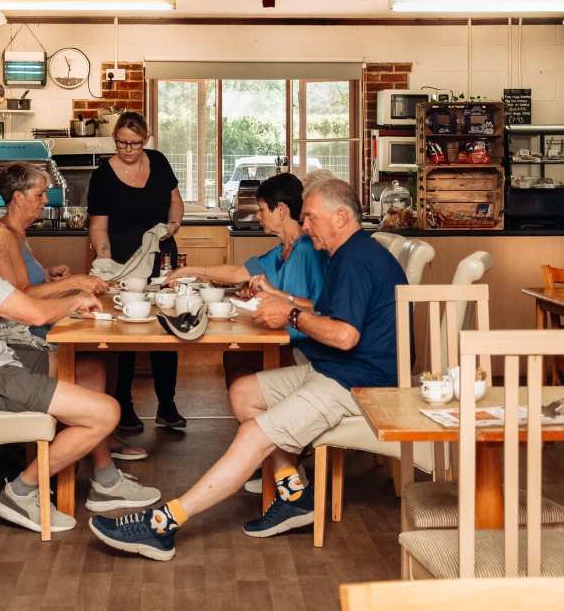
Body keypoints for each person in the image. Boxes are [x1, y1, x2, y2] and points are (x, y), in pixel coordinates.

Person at [89, 177, 408, 560]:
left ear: (340, 217)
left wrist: (289, 312)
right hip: (335, 370)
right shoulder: (349, 253)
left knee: (255, 434)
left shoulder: (355, 260)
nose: (304, 227)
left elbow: (344, 336)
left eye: (310, 218)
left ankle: (164, 524)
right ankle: (294, 491)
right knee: (244, 393)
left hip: (358, 384)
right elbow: (325, 313)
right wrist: (282, 297)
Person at [0, 171, 161, 534]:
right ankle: (21, 492)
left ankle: (105, 481)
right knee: (106, 412)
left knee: (87, 371)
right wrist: (76, 298)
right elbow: (36, 312)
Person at [0, 161, 148, 461]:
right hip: (22, 338)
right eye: (40, 194)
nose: (46, 200)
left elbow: (22, 283)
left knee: (107, 352)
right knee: (96, 361)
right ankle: (100, 460)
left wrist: (50, 277)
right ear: (18, 198)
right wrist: (74, 282)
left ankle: (100, 437)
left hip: (38, 325)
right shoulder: (3, 235)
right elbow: (19, 296)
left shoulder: (18, 234)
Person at [163, 172, 330, 382]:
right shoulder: (281, 251)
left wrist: (277, 297)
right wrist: (188, 271)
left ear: (281, 210)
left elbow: (321, 307)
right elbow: (237, 273)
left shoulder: (307, 250)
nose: (258, 216)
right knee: (235, 356)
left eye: (261, 210)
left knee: (238, 360)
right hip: (282, 334)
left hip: (303, 345)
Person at [88, 111, 186, 432]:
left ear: (146, 141)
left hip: (160, 255)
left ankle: (167, 404)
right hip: (123, 260)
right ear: (114, 139)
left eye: (135, 144)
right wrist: (105, 262)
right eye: (122, 143)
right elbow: (99, 226)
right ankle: (123, 404)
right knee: (126, 331)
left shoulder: (158, 161)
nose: (128, 150)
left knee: (165, 324)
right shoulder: (102, 176)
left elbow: (174, 200)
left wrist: (172, 226)